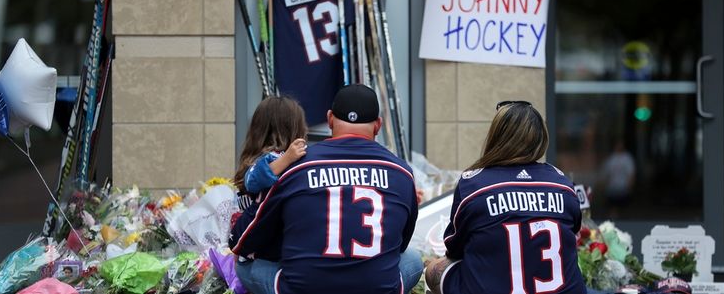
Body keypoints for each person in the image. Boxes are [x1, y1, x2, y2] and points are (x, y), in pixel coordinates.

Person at [230, 84, 422, 294]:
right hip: (374, 289)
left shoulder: (293, 166)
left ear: (330, 119)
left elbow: (241, 241)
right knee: (412, 258)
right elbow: (400, 244)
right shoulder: (402, 172)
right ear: (378, 125)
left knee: (244, 264)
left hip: (303, 289)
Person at [425, 101, 586, 294]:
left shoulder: (473, 184)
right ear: (540, 138)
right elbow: (573, 235)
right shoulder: (563, 184)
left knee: (434, 270)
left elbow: (454, 248)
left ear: (497, 136)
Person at [233, 96, 309, 211]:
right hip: (260, 224)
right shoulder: (268, 158)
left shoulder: (299, 155)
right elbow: (253, 182)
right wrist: (286, 159)